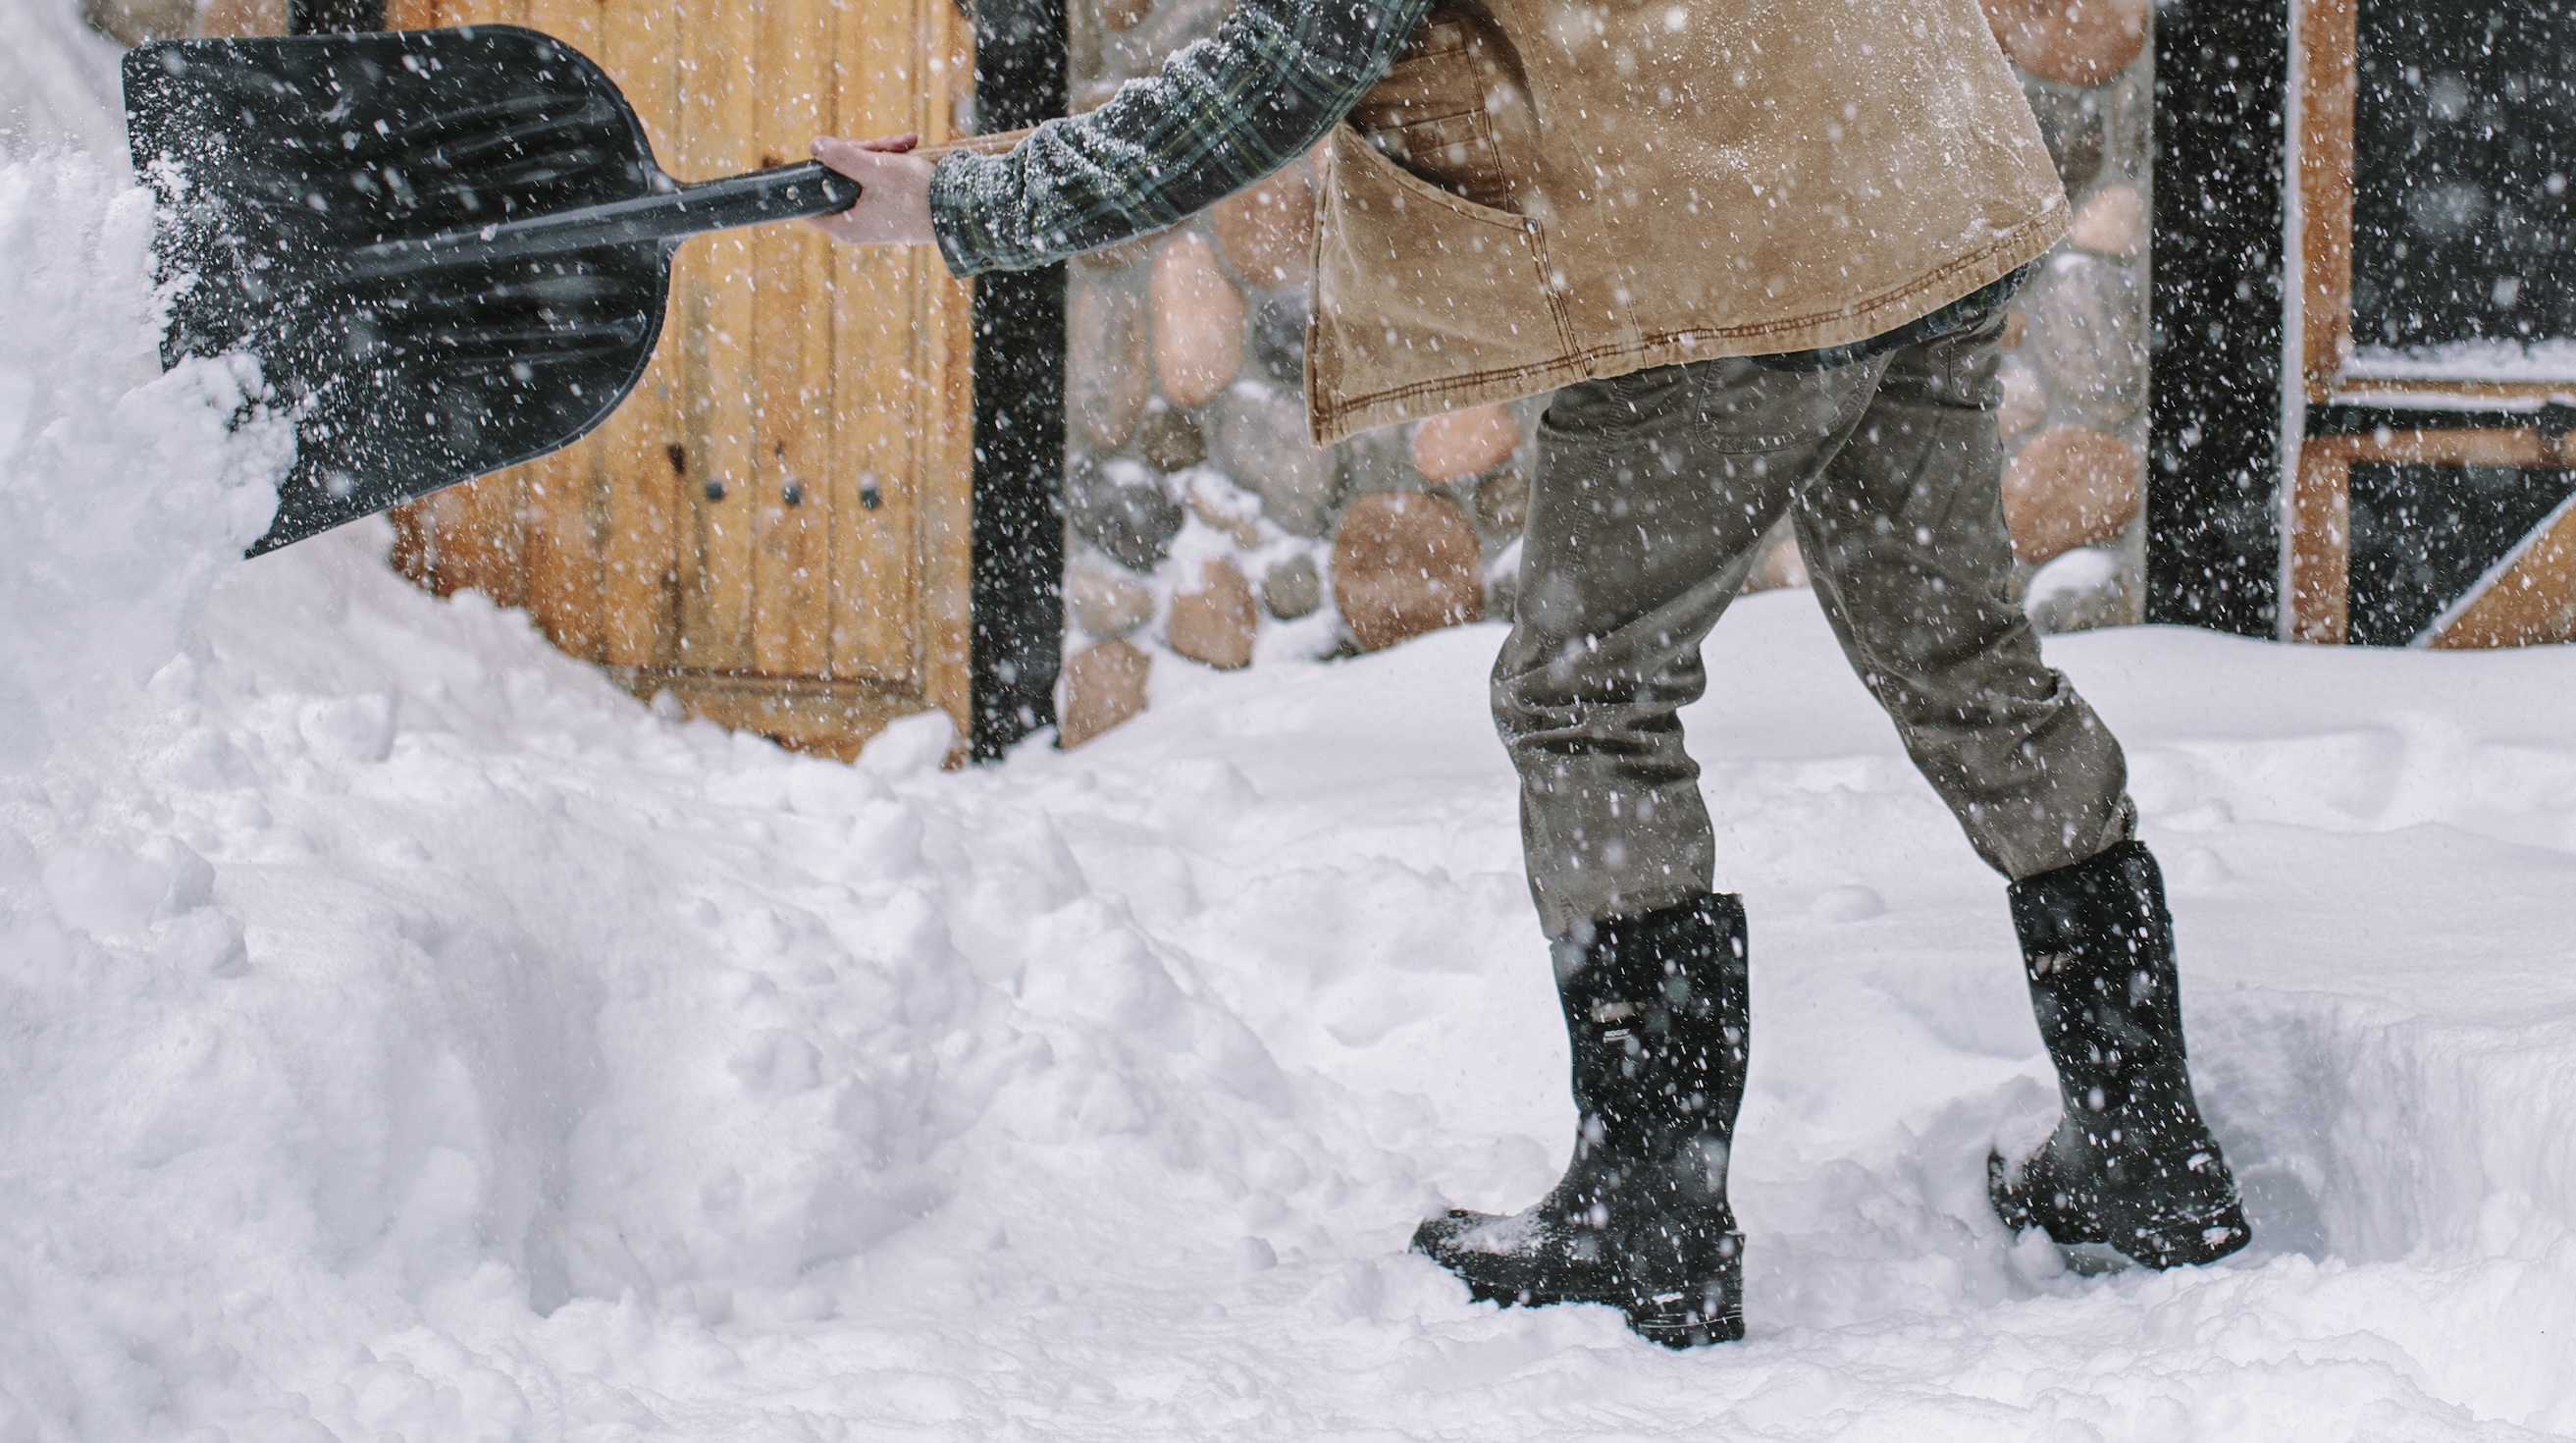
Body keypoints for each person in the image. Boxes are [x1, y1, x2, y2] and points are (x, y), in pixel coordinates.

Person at [808, 0, 2250, 1350]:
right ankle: (2142, 1142)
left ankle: (1647, 1206)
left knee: (1586, 690)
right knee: (1961, 660)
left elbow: (1269, 75)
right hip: (1920, 173)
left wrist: (963, 202)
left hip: (1728, 230)